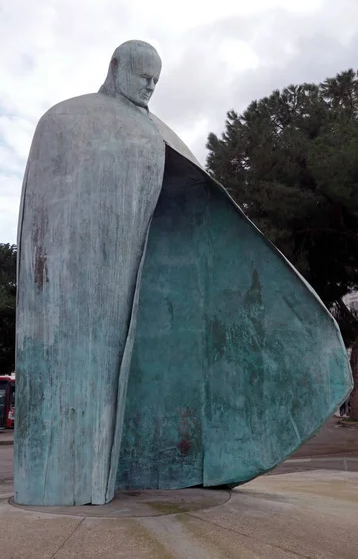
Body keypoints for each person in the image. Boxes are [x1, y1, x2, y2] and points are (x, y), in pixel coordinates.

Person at [15, 41, 353, 506]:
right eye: (143, 76)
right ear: (116, 69)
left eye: (157, 79)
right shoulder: (66, 120)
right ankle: (71, 480)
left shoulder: (160, 131)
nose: (151, 86)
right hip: (73, 304)